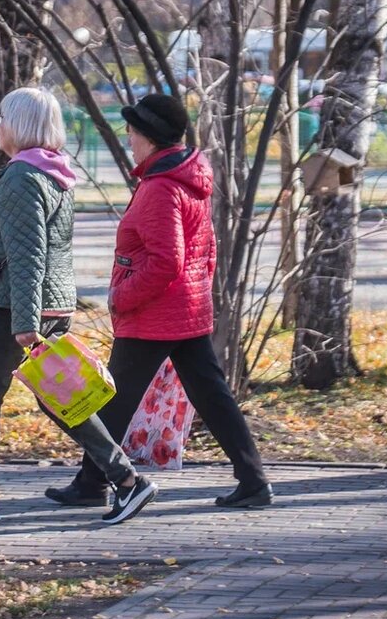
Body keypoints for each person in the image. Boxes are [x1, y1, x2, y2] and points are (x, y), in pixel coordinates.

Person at [0, 87, 158, 526]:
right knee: (60, 398)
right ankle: (128, 481)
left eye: (3, 118)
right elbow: (27, 248)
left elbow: (29, 254)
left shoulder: (21, 177)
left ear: (18, 124)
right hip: (43, 303)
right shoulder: (55, 173)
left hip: (18, 309)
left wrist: (24, 321)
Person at [45, 93, 272, 509]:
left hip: (155, 312)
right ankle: (253, 479)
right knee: (210, 395)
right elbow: (205, 251)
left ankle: (92, 483)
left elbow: (167, 260)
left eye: (132, 131)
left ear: (149, 136)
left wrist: (121, 296)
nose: (129, 139)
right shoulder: (188, 177)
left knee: (111, 399)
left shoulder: (162, 188)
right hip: (186, 308)